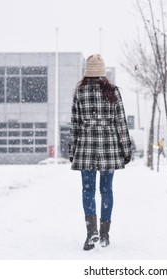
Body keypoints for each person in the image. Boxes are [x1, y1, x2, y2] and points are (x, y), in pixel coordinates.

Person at [69, 54, 132, 250]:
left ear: (87, 72)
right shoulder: (113, 91)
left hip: (86, 146)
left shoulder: (80, 92)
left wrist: (72, 149)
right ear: (103, 72)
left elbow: (75, 125)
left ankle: (91, 232)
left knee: (88, 190)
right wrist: (125, 148)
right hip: (109, 146)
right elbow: (121, 122)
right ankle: (105, 234)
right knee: (106, 190)